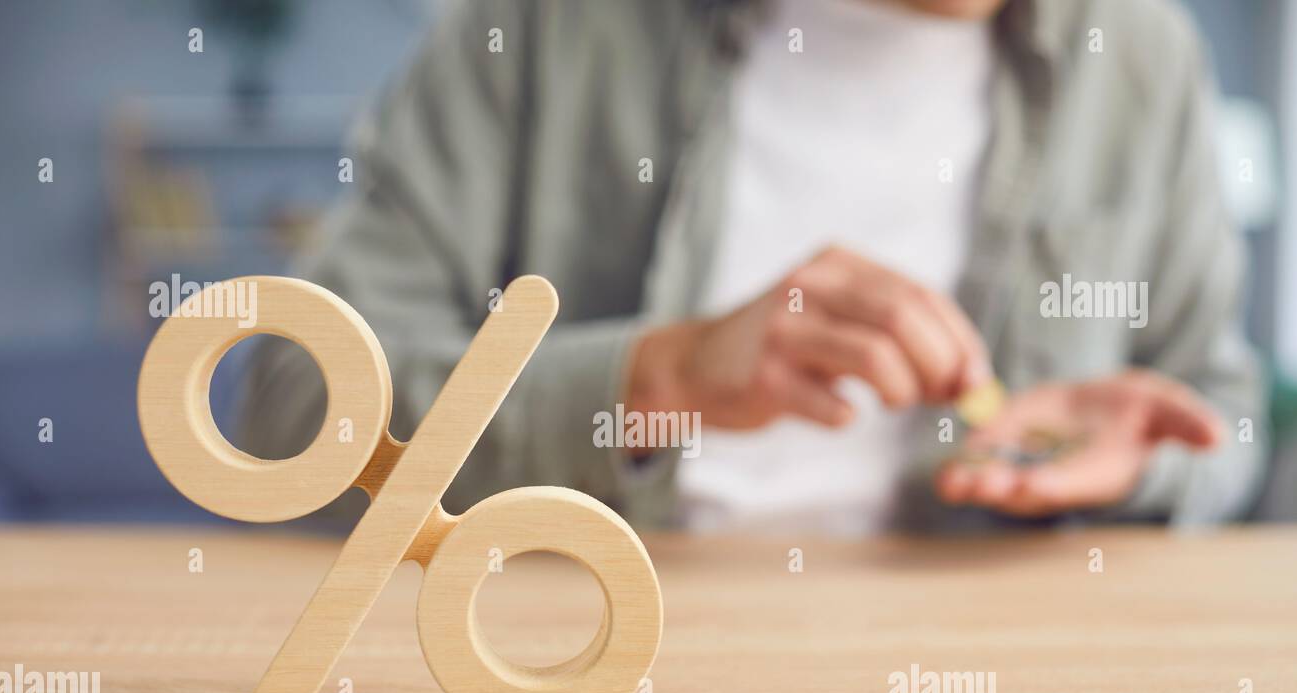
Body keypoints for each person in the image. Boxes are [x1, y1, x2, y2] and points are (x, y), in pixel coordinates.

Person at [240, 0, 1267, 534]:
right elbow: (292, 409)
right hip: (570, 659)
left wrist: (1149, 464)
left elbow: (1228, 414)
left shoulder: (1140, 58)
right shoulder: (544, 29)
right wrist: (656, 381)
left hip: (1008, 686)